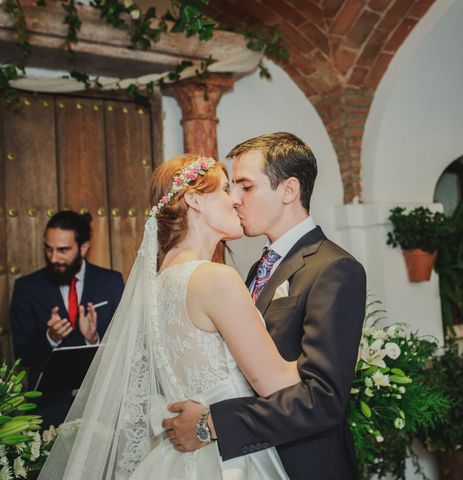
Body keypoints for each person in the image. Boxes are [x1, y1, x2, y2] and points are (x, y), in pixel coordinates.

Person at [40, 154, 301, 479]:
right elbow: (274, 383)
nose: (235, 198)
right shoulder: (215, 279)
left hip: (176, 459)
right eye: (223, 188)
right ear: (193, 200)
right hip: (228, 460)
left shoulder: (159, 283)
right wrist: (343, 355)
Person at [163, 132, 367, 480]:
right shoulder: (257, 269)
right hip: (249, 459)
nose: (236, 200)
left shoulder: (333, 268)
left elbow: (323, 399)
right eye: (232, 189)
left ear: (288, 191)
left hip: (305, 464)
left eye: (246, 187)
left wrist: (212, 423)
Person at [10, 210, 124, 428]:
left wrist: (93, 338)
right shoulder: (27, 288)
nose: (54, 258)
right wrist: (50, 337)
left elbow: (126, 345)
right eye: (49, 249)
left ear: (83, 247)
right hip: (48, 410)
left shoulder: (111, 283)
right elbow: (22, 354)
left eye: (63, 250)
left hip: (100, 405)